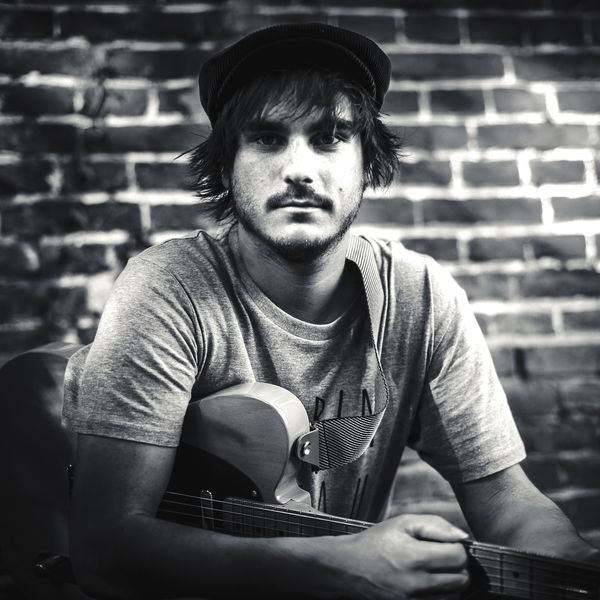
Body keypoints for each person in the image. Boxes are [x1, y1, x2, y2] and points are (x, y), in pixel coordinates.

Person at [62, 23, 599, 600]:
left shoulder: (419, 298)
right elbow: (103, 549)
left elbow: (507, 502)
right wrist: (334, 565)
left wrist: (578, 567)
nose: (299, 169)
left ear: (368, 162)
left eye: (329, 137)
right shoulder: (169, 289)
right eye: (267, 138)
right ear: (227, 165)